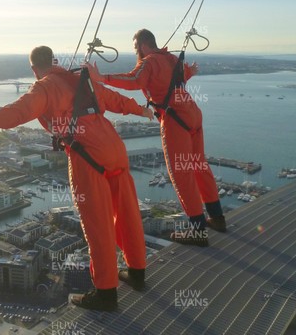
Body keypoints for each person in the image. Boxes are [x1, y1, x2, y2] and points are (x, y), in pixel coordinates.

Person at [0, 46, 153, 311]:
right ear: (54, 61)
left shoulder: (43, 88)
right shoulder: (82, 80)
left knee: (98, 225)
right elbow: (115, 100)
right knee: (127, 212)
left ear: (34, 69)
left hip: (87, 156)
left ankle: (106, 293)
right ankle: (137, 273)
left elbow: (19, 111)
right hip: (115, 149)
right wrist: (143, 111)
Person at [85, 29, 226, 247]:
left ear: (141, 45)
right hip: (193, 115)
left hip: (174, 119)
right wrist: (191, 71)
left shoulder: (149, 62)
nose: (135, 52)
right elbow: (180, 76)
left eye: (135, 47)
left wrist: (101, 78)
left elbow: (134, 80)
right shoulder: (171, 58)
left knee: (181, 174)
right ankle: (217, 217)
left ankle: (198, 231)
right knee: (199, 165)